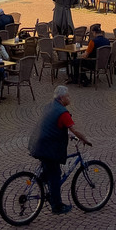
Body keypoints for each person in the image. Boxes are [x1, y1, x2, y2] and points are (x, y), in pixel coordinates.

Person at [29, 86, 93, 215]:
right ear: (61, 98)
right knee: (55, 175)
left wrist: (67, 134)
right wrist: (85, 139)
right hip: (48, 148)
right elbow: (74, 129)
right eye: (68, 96)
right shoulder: (63, 113)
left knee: (49, 171)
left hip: (37, 144)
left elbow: (52, 125)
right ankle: (57, 206)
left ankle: (44, 182)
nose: (69, 98)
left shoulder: (49, 106)